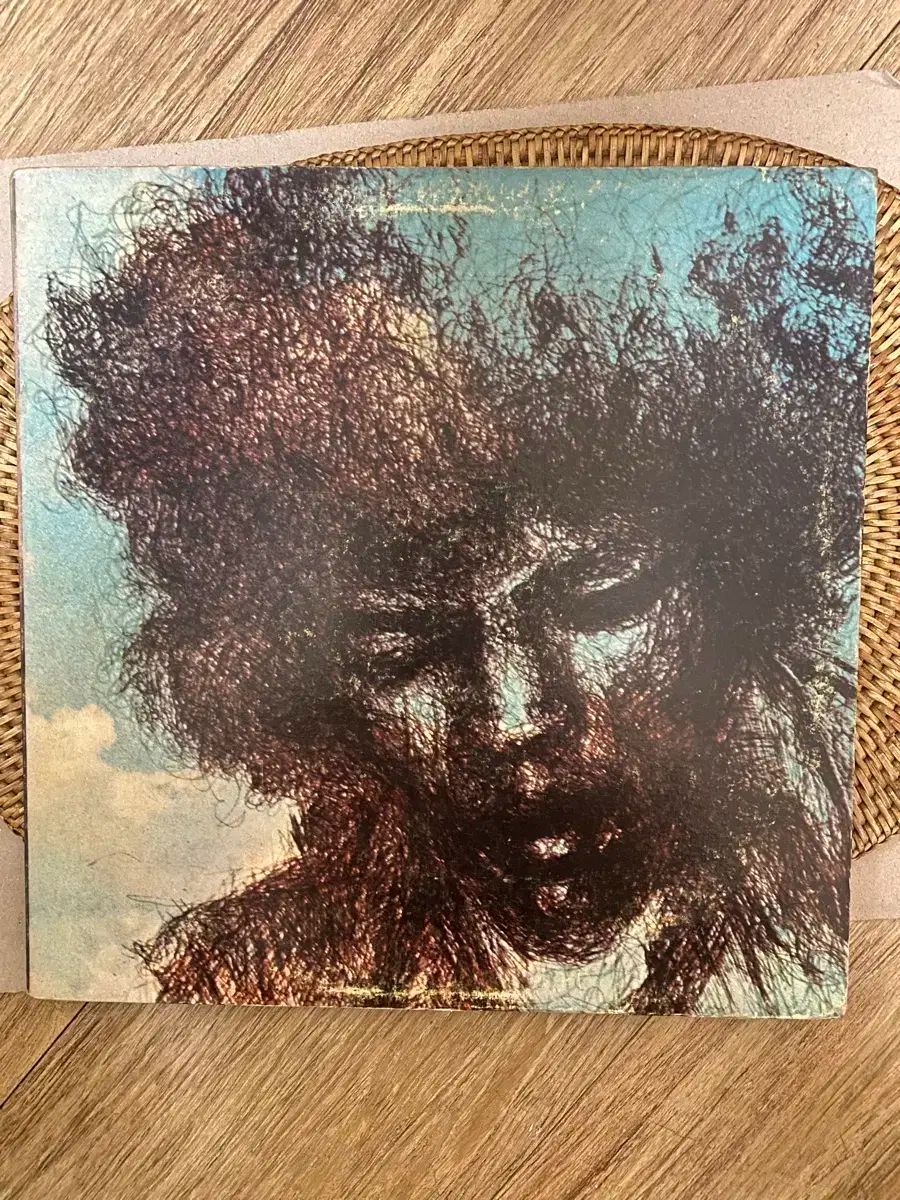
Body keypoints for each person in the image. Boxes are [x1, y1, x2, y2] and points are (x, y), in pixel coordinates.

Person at [48, 166, 870, 1013]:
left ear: (741, 576)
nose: (514, 718)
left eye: (600, 597)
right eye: (405, 646)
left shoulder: (840, 922)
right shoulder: (253, 979)